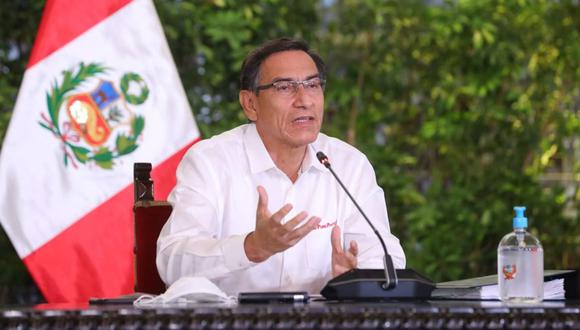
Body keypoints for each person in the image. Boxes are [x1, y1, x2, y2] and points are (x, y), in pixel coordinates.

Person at [156, 38, 405, 294]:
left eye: (312, 85)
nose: (305, 100)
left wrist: (354, 279)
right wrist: (251, 247)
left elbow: (386, 258)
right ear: (250, 104)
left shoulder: (348, 164)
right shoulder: (210, 161)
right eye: (285, 87)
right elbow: (172, 261)